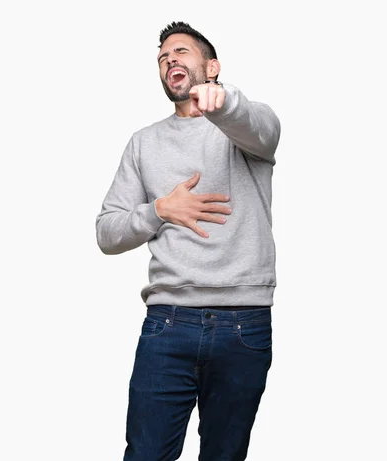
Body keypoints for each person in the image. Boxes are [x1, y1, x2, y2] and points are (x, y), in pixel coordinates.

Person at [95, 21, 281, 461]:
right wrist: (160, 210)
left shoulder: (251, 128)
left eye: (180, 52)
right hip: (168, 325)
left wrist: (225, 100)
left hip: (244, 326)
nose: (169, 60)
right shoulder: (143, 143)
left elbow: (256, 123)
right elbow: (107, 231)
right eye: (162, 58)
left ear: (211, 66)